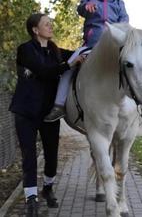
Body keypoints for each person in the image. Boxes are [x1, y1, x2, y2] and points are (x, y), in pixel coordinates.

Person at [9, 13, 85, 217]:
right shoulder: (25, 50)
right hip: (26, 111)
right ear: (35, 29)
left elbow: (79, 54)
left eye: (50, 24)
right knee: (29, 155)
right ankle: (31, 198)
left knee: (51, 154)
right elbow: (43, 71)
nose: (51, 27)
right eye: (46, 24)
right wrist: (69, 64)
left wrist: (92, 47)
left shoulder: (56, 51)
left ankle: (48, 188)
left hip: (49, 112)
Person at [44, 0, 129, 122]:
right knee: (69, 68)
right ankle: (59, 105)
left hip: (113, 46)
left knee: (133, 64)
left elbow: (124, 22)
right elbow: (81, 9)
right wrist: (86, 8)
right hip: (91, 45)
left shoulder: (118, 2)